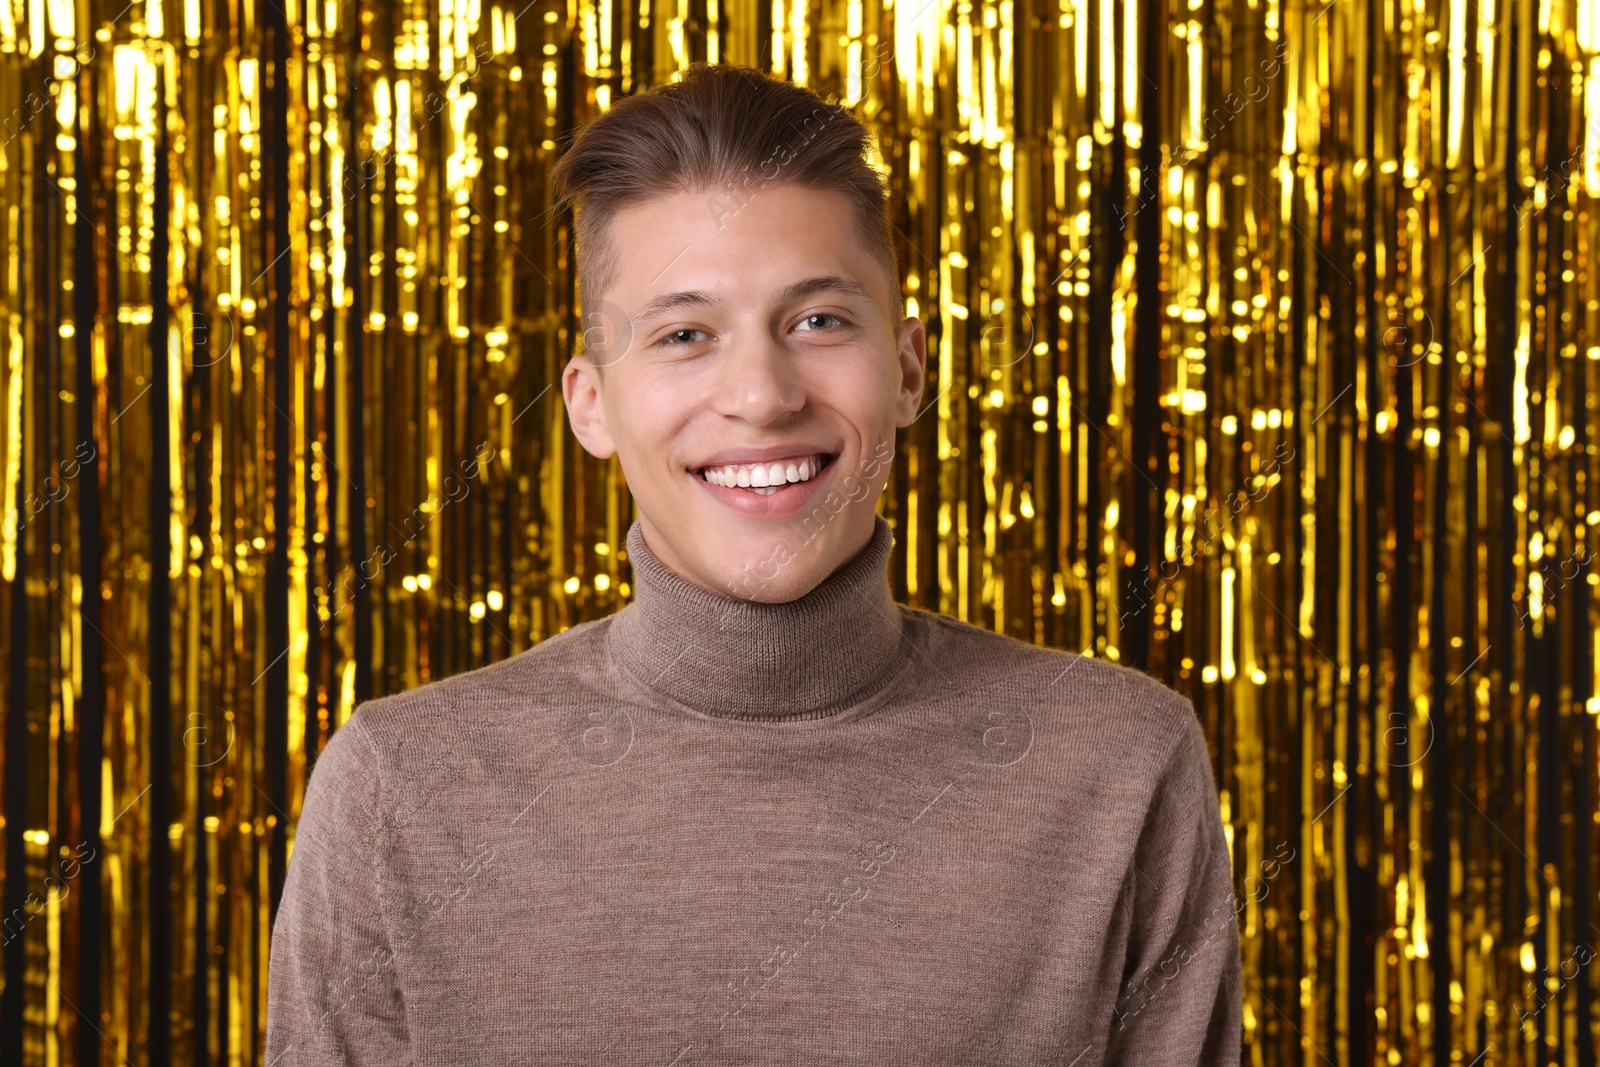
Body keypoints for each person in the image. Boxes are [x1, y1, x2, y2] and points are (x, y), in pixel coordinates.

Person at [265, 61, 1242, 1066]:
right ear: (590, 403)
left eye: (817, 320)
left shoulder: (1119, 765)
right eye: (684, 334)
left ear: (907, 368)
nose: (761, 394)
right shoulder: (400, 789)